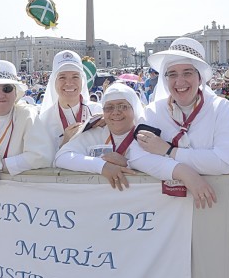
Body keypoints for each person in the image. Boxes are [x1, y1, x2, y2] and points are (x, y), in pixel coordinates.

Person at [56, 82, 217, 207]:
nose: (116, 112)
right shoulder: (95, 133)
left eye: (123, 106)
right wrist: (101, 166)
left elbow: (159, 164)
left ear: (134, 109)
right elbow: (62, 157)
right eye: (109, 108)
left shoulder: (147, 136)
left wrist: (127, 164)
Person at [131, 37, 229, 184]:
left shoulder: (221, 108)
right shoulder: (153, 111)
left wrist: (169, 151)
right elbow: (136, 157)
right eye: (172, 74)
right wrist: (182, 172)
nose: (179, 82)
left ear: (200, 78)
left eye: (187, 73)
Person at [38, 50, 104, 164]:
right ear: (54, 81)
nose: (69, 83)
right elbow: (44, 162)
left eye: (75, 77)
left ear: (82, 80)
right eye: (62, 77)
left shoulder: (99, 111)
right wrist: (65, 142)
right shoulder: (43, 120)